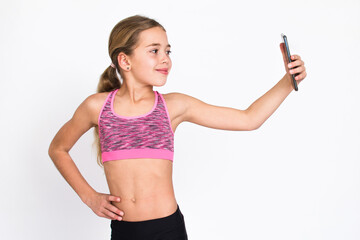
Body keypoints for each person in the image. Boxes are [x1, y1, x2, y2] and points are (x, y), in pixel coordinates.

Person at [48, 14, 307, 240]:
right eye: (154, 50)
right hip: (123, 231)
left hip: (167, 231)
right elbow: (58, 148)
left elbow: (249, 119)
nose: (165, 59)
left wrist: (287, 81)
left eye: (167, 51)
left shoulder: (174, 106)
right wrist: (89, 196)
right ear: (125, 61)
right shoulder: (97, 107)